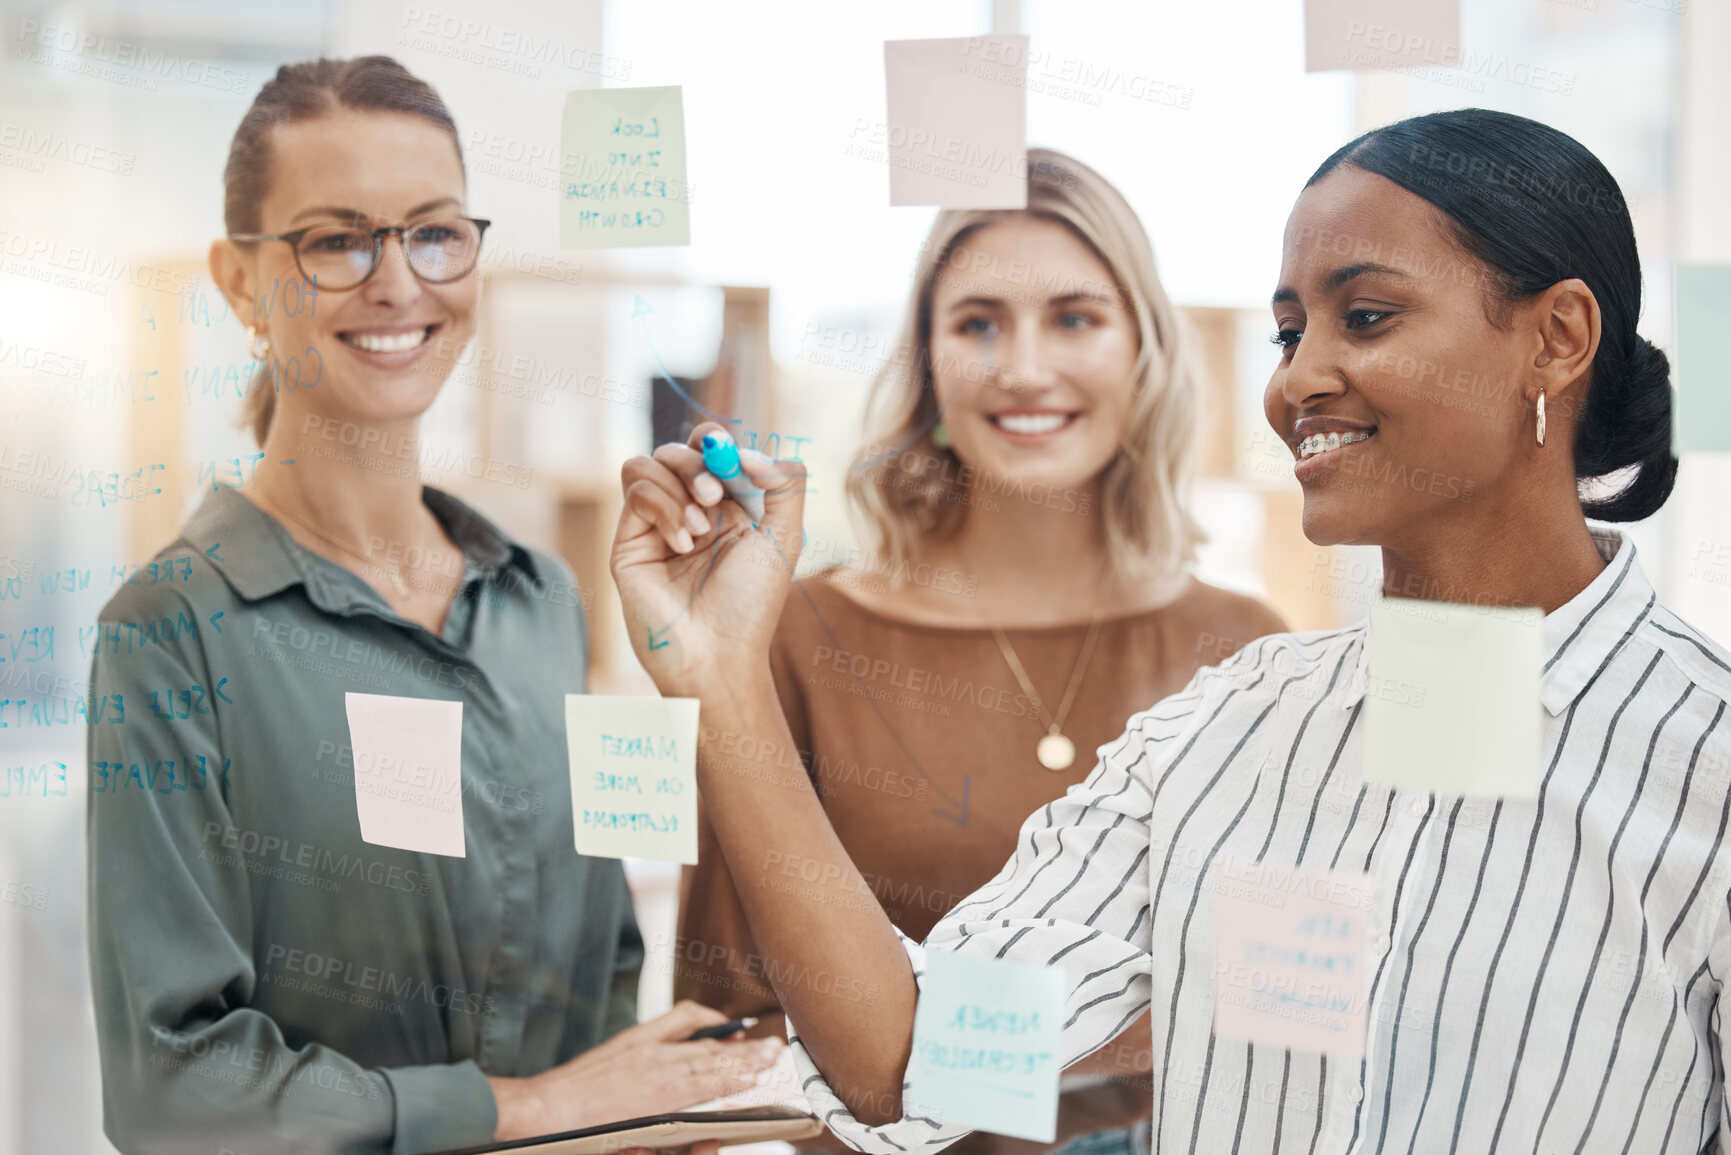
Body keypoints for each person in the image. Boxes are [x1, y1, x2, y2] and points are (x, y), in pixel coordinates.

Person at [611, 107, 1731, 1153]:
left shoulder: (1705, 765)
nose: (1299, 380)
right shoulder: (1227, 723)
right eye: (1291, 331)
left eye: (1368, 316)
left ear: (1558, 336)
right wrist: (718, 679)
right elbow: (908, 1061)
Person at [85, 56, 777, 1155]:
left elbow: (605, 983)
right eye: (337, 238)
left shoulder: (542, 599)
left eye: (436, 232)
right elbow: (173, 1092)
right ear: (239, 282)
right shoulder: (168, 632)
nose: (399, 282)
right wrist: (536, 1110)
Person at [675, 148, 1285, 1151]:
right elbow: (722, 1023)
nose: (1024, 368)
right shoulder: (797, 637)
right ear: (928, 363)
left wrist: (932, 1053)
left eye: (1075, 318)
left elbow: (1278, 1018)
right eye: (977, 324)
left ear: (1143, 349)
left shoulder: (1246, 654)